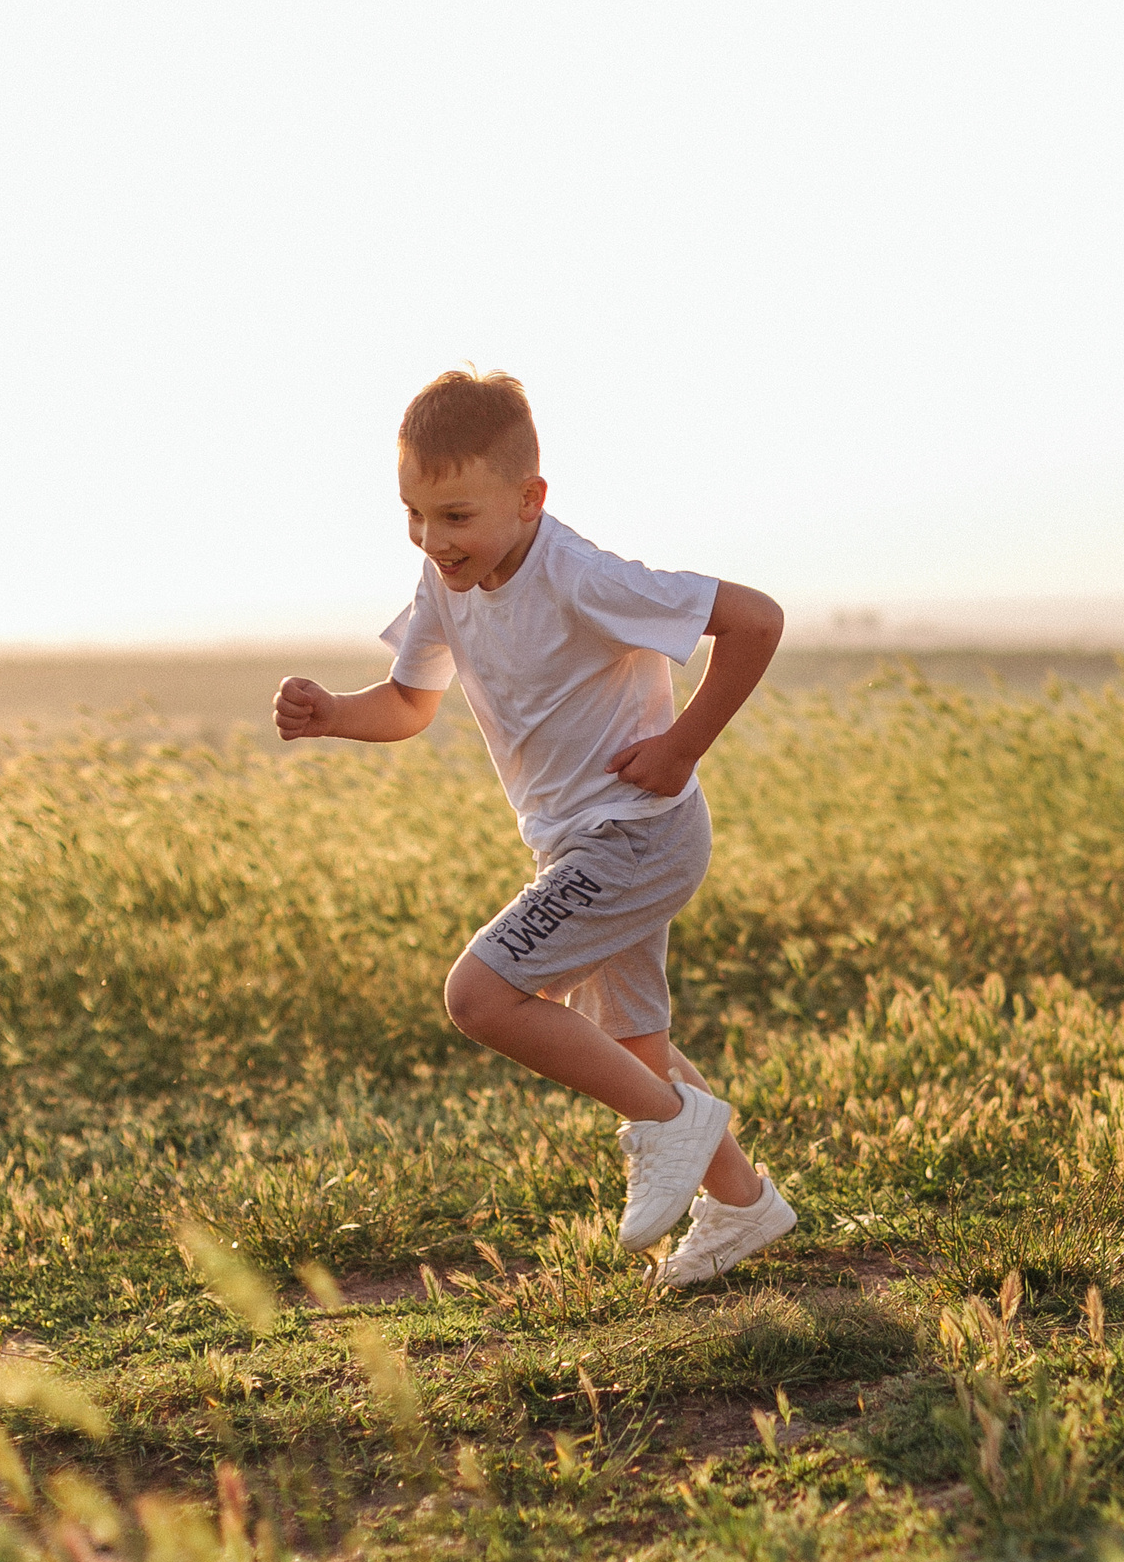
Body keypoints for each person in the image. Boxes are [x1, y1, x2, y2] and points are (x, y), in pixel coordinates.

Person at [274, 368, 794, 1288]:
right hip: (577, 844)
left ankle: (670, 1124)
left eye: (456, 516)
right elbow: (408, 700)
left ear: (529, 498)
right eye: (415, 515)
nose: (433, 540)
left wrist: (680, 746)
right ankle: (744, 1204)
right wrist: (332, 714)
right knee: (631, 1046)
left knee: (479, 995)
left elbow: (755, 620)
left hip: (635, 835)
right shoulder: (447, 584)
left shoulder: (579, 575)